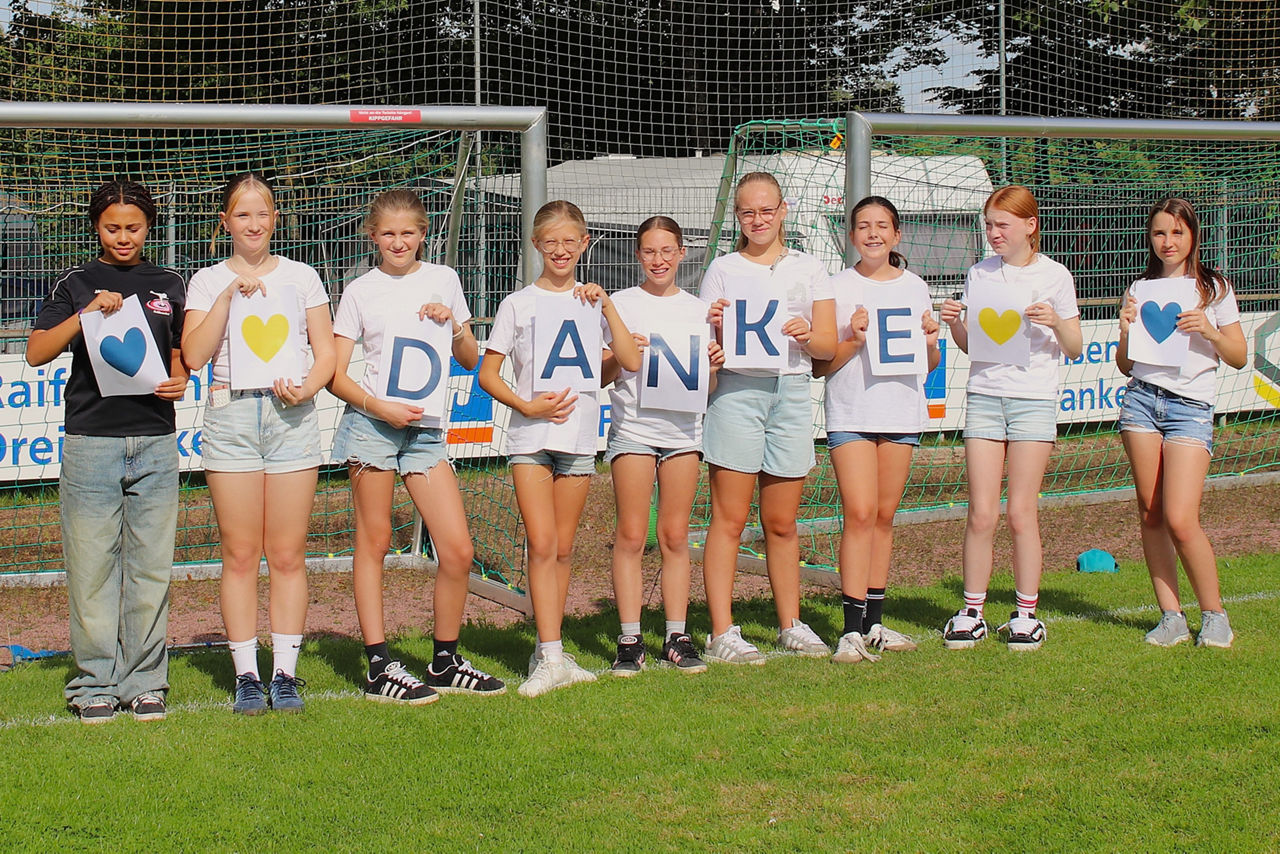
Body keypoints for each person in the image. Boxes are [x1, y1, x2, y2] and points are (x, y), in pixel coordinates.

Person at [329, 189, 505, 701]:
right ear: (372, 237)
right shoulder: (359, 290)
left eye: (408, 233)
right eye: (388, 234)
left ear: (424, 233)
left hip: (426, 431)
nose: (398, 242)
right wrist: (378, 407)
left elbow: (471, 358)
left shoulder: (444, 280)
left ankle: (444, 660)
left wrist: (452, 323)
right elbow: (335, 376)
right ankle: (378, 666)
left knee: (457, 549)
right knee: (376, 541)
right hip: (373, 428)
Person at [27, 179, 187, 723]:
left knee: (150, 567)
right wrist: (88, 314)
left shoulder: (169, 282)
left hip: (157, 442)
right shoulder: (78, 282)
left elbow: (180, 355)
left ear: (149, 227)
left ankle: (145, 681)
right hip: (91, 442)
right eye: (113, 227)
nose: (123, 237)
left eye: (134, 227)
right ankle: (93, 682)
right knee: (92, 567)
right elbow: (36, 352)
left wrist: (179, 380)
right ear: (96, 227)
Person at [182, 172, 336, 713]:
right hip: (232, 421)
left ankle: (285, 674)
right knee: (241, 553)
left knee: (288, 553)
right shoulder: (205, 281)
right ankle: (247, 674)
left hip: (292, 420)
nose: (253, 224)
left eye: (262, 213)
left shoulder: (303, 276)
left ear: (275, 219)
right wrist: (227, 295)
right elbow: (195, 356)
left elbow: (326, 356)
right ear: (225, 222)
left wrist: (306, 389)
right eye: (241, 214)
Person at [478, 200, 641, 697]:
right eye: (551, 242)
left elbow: (628, 361)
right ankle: (548, 655)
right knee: (542, 544)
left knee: (565, 549)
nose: (561, 251)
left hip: (578, 439)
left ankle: (552, 648)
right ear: (536, 245)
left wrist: (609, 305)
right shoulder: (517, 303)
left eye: (570, 241)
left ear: (585, 242)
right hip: (531, 439)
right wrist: (525, 406)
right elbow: (487, 374)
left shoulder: (594, 301)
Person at [699, 171, 837, 664]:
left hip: (792, 393)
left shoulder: (811, 268)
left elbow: (826, 347)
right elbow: (705, 346)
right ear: (738, 217)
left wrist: (806, 334)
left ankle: (790, 624)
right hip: (737, 394)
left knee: (782, 521)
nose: (757, 220)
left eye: (765, 210)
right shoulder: (721, 269)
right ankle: (721, 632)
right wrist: (712, 330)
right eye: (747, 212)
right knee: (730, 519)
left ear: (783, 211)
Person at [939, 185, 1082, 650]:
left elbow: (1075, 347)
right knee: (981, 513)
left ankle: (1026, 615)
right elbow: (970, 346)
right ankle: (972, 612)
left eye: (1002, 224)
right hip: (984, 397)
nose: (993, 233)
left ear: (1029, 225)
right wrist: (955, 322)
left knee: (1021, 512)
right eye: (988, 225)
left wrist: (1055, 322)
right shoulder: (979, 272)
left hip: (1033, 400)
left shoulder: (1055, 276)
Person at [812, 196, 940, 663]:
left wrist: (931, 340)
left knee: (884, 517)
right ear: (851, 235)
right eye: (863, 226)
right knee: (860, 513)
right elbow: (819, 366)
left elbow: (929, 364)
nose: (873, 234)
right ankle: (849, 629)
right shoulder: (835, 287)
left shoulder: (915, 288)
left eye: (882, 226)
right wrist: (852, 338)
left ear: (897, 234)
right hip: (851, 414)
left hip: (901, 413)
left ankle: (876, 623)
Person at [1115, 197, 1246, 648]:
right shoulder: (1139, 288)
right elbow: (1125, 366)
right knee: (1151, 515)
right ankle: (1170, 617)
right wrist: (1126, 331)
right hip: (1140, 405)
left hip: (1190, 408)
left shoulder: (1214, 289)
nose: (1167, 242)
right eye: (1158, 233)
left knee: (1180, 517)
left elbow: (1239, 356)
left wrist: (1208, 329)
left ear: (1193, 236)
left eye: (1176, 232)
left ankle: (1215, 616)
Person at [601, 216, 724, 676]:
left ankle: (677, 634)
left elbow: (705, 385)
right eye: (649, 251)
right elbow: (600, 375)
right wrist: (617, 353)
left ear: (681, 253)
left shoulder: (699, 309)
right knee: (633, 534)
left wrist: (715, 363)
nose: (658, 260)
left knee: (674, 535)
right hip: (633, 429)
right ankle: (630, 639)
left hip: (683, 435)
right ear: (638, 255)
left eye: (667, 251)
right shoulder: (621, 306)